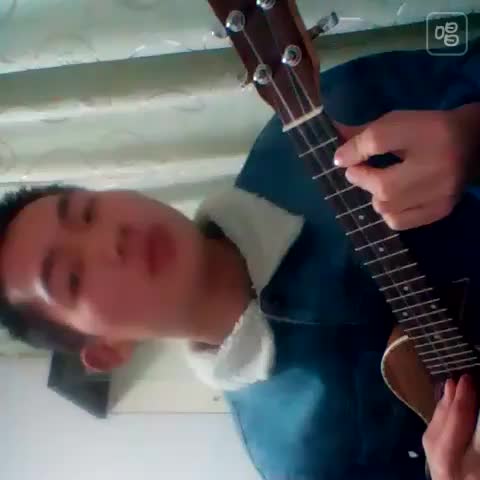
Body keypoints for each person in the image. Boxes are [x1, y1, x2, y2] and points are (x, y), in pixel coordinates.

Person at [2, 39, 480, 480]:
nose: (112, 240)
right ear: (108, 351)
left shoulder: (320, 131)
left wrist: (472, 133)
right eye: (72, 278)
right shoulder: (296, 457)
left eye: (87, 212)